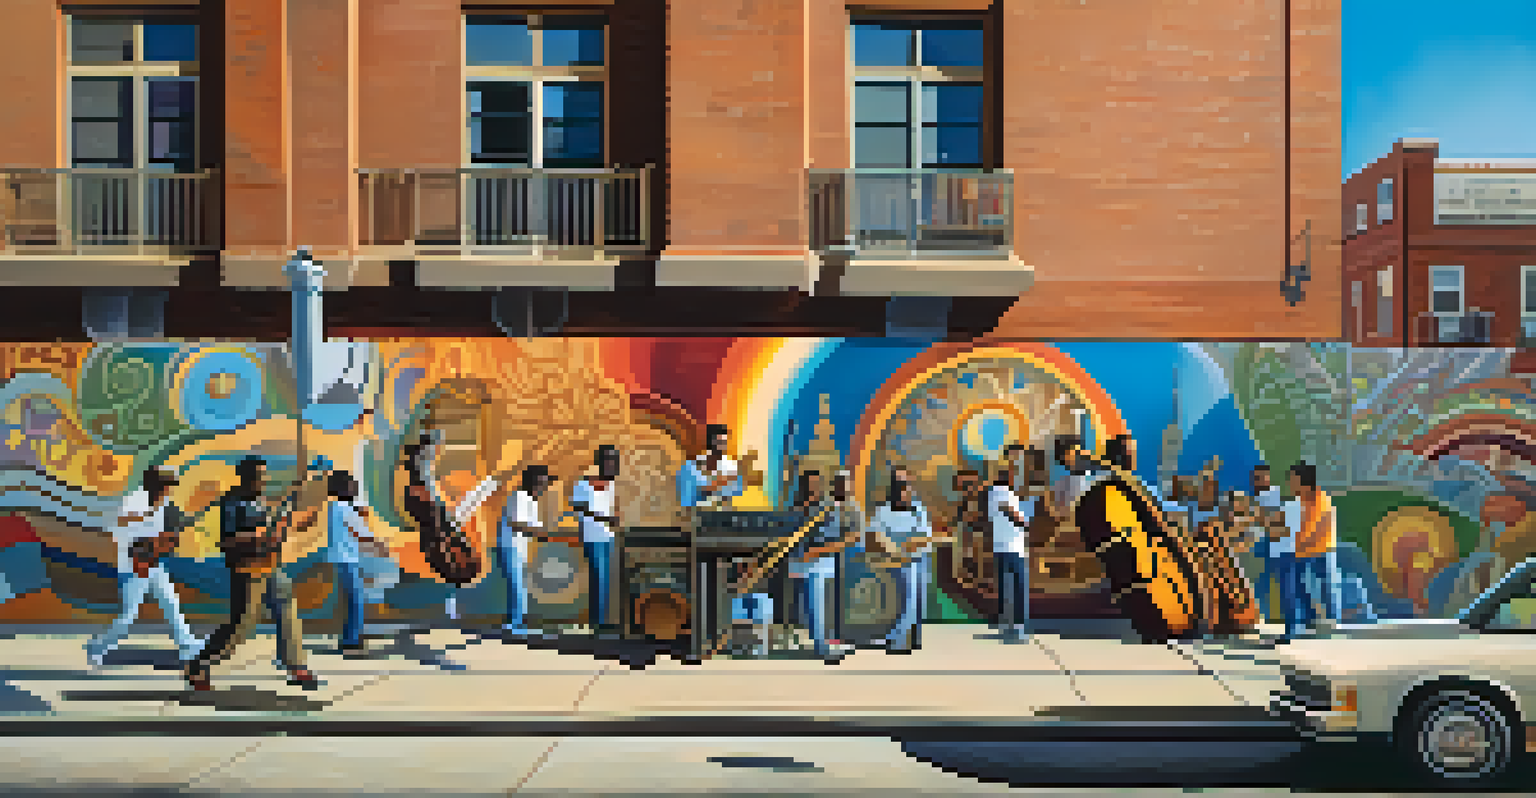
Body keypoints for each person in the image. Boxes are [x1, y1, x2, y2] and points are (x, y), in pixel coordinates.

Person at [187, 457, 319, 691]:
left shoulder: (262, 501)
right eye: (257, 476)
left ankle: (297, 666)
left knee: (287, 610)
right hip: (247, 569)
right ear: (245, 477)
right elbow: (227, 541)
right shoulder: (232, 503)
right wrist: (262, 536)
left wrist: (293, 525)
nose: (263, 480)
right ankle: (199, 665)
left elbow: (277, 528)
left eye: (264, 475)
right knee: (241, 625)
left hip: (271, 565)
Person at [88, 467, 202, 666]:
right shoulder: (136, 499)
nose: (169, 489)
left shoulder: (165, 504)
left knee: (171, 603)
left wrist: (172, 532)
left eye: (170, 485)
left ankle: (188, 645)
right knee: (129, 614)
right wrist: (145, 518)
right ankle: (99, 648)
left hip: (154, 562)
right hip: (135, 565)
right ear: (154, 484)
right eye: (166, 485)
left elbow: (167, 533)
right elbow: (117, 526)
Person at [789, 470, 862, 663]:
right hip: (802, 564)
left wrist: (819, 550)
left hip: (821, 564)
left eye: (816, 485)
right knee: (810, 607)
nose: (814, 489)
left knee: (820, 607)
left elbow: (838, 537)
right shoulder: (796, 510)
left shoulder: (827, 509)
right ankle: (820, 645)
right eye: (810, 485)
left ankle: (822, 646)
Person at [868, 468, 938, 654]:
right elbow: (875, 535)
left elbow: (925, 535)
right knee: (903, 600)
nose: (903, 488)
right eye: (899, 483)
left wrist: (911, 545)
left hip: (918, 558)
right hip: (894, 562)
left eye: (906, 484)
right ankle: (899, 640)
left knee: (917, 600)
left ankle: (914, 637)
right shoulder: (883, 510)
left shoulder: (918, 509)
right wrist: (892, 548)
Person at [323, 470, 379, 654]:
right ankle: (352, 640)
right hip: (348, 558)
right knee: (356, 601)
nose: (355, 487)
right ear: (343, 488)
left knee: (351, 600)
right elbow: (364, 534)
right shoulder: (346, 509)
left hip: (340, 558)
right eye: (351, 484)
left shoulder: (334, 507)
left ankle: (349, 637)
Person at [571, 445, 621, 637]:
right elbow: (579, 507)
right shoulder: (584, 483)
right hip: (593, 537)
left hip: (609, 537)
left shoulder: (611, 485)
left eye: (615, 460)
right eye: (610, 460)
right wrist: (605, 518)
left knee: (607, 581)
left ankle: (603, 621)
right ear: (600, 462)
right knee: (599, 580)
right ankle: (599, 623)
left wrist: (612, 519)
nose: (613, 465)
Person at [500, 464, 555, 638]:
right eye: (541, 484)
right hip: (510, 547)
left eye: (545, 484)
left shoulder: (532, 501)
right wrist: (539, 532)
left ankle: (516, 623)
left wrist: (543, 533)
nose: (543, 488)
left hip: (520, 549)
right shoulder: (518, 496)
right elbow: (515, 523)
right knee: (517, 588)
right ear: (532, 482)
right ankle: (514, 625)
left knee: (520, 588)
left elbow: (535, 528)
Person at [1289, 461, 1340, 635]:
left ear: (1303, 480)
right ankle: (1310, 620)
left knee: (1327, 587)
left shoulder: (1320, 498)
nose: (1290, 483)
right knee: (1301, 587)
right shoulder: (1299, 500)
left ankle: (1332, 622)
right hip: (1303, 551)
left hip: (1322, 549)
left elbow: (1311, 526)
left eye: (1293, 478)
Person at [987, 457, 1035, 644]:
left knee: (1006, 588)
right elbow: (1010, 513)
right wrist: (1027, 524)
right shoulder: (1003, 492)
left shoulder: (994, 493)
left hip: (1002, 546)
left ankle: (1005, 625)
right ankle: (1019, 628)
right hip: (1012, 547)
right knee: (1019, 589)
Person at [677, 425, 743, 512]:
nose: (722, 446)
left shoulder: (731, 466)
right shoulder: (691, 467)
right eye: (718, 442)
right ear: (710, 442)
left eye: (724, 442)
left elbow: (737, 491)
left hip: (723, 512)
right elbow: (687, 498)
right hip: (698, 512)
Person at [1249, 464, 1283, 621]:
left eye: (1262, 477)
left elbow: (1269, 519)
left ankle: (1274, 615)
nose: (1259, 481)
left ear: (1268, 477)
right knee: (1260, 581)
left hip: (1271, 542)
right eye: (1256, 478)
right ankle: (1261, 615)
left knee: (1276, 580)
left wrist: (1256, 516)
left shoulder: (1273, 493)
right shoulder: (1253, 497)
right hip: (1257, 543)